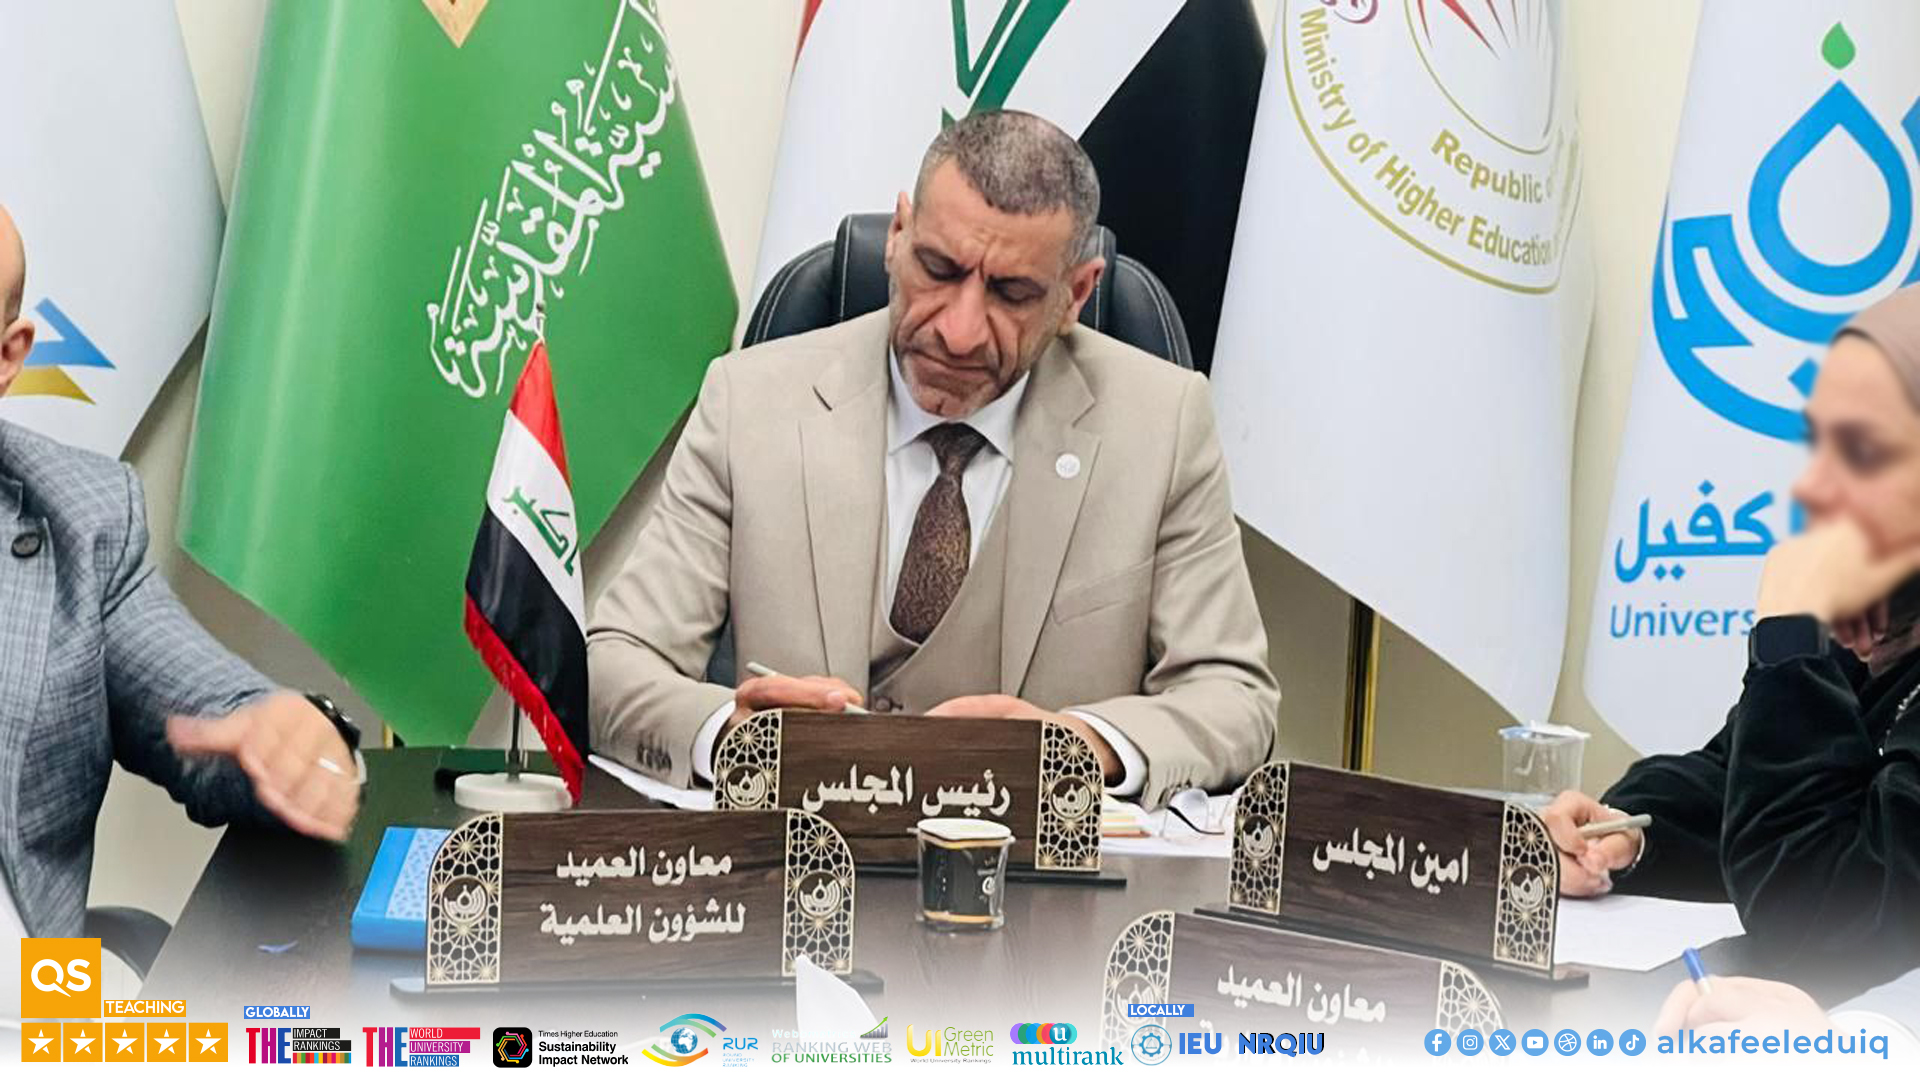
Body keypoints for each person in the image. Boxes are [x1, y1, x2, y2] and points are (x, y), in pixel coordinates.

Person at [589, 111, 1277, 806]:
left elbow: (1234, 697)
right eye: (938, 270)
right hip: (794, 851)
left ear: (1076, 294)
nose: (959, 331)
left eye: (1012, 293)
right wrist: (733, 735)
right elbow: (612, 666)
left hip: (1034, 866)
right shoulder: (750, 401)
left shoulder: (1163, 424)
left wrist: (1078, 745)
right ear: (898, 237)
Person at [0, 203, 362, 949]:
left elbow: (213, 702)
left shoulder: (81, 520)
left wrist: (289, 733)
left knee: (255, 1021)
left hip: (37, 1000)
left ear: (8, 357)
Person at [1543, 285, 1920, 982]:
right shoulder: (1876, 638)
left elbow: (1822, 909)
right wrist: (1630, 830)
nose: (1817, 492)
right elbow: (1731, 783)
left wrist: (1789, 633)